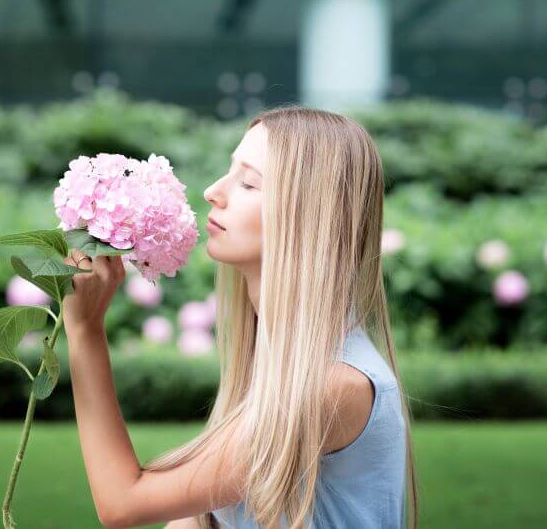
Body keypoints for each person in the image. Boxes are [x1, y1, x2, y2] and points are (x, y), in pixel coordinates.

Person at [62, 105, 418, 529]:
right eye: (230, 172)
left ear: (306, 218)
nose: (213, 190)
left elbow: (123, 504)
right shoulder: (287, 368)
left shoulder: (331, 386)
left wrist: (84, 331)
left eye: (249, 183)